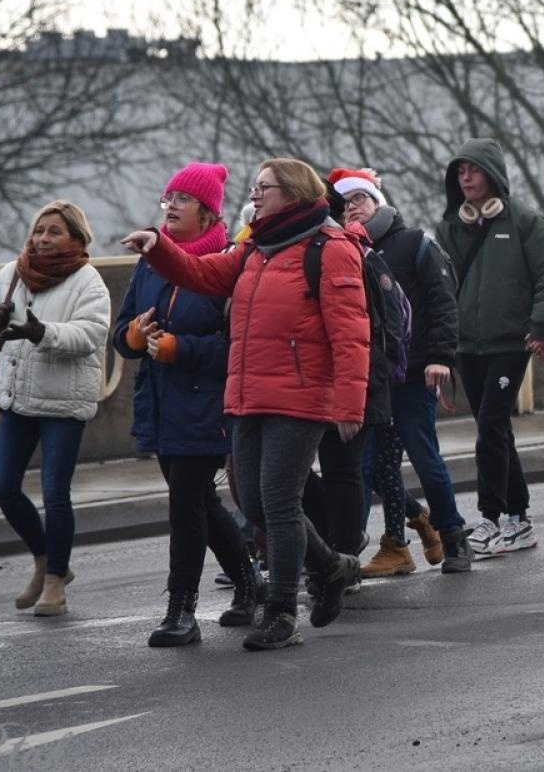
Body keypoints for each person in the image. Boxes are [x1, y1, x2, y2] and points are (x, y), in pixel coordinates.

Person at [121, 159, 365, 652]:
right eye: (254, 188)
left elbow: (351, 332)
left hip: (299, 397)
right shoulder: (255, 246)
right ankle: (332, 567)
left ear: (293, 193)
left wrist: (349, 403)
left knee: (277, 500)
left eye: (263, 188)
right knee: (252, 503)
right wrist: (160, 247)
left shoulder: (330, 247)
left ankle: (279, 612)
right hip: (248, 392)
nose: (253, 196)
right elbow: (202, 273)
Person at [113, 163, 259, 646]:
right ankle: (248, 583)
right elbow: (123, 333)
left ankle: (182, 610)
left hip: (206, 405)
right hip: (159, 402)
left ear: (208, 210)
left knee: (185, 508)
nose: (170, 207)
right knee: (199, 501)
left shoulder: (227, 263)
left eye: (182, 199)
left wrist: (183, 348)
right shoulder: (150, 261)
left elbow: (238, 344)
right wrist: (134, 337)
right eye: (167, 198)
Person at [331, 168, 473, 576]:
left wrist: (440, 356)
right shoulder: (344, 251)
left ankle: (453, 536)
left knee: (425, 459)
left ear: (377, 199)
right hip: (372, 378)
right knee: (371, 467)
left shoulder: (414, 243)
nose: (352, 209)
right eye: (344, 205)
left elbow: (442, 301)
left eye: (359, 199)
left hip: (413, 373)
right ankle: (359, 551)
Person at [0, 200, 111, 618]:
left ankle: (55, 582)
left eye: (53, 231)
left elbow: (90, 335)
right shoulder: (13, 272)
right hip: (17, 398)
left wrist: (43, 332)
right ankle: (44, 559)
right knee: (2, 487)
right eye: (39, 230)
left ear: (76, 238)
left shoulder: (88, 281)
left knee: (55, 493)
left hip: (62, 402)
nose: (42, 238)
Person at [437, 139, 544, 557]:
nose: (466, 178)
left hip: (511, 341)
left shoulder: (526, 221)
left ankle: (490, 518)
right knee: (496, 430)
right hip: (466, 346)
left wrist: (542, 326)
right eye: (460, 172)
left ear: (493, 174)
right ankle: (520, 518)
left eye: (473, 170)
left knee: (491, 424)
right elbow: (441, 288)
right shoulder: (450, 226)